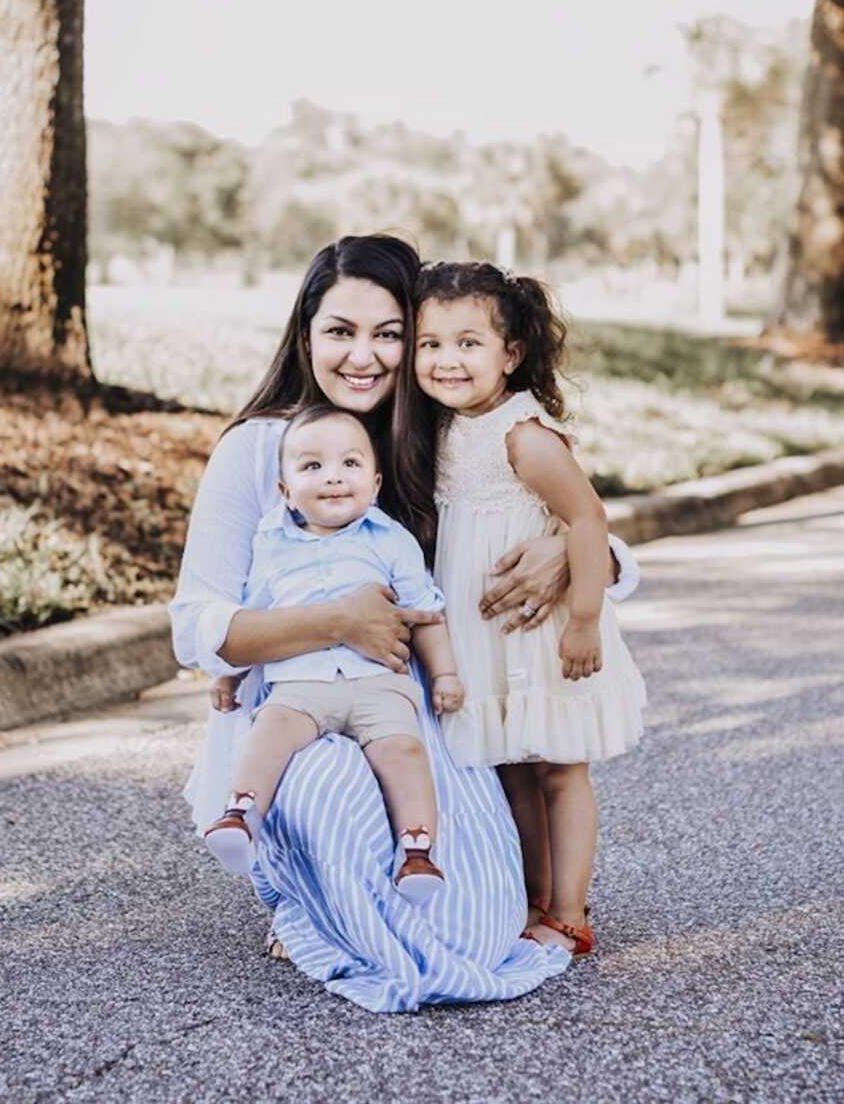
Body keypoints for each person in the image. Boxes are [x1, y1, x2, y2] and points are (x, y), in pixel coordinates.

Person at [170, 233, 638, 1013]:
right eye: (341, 331)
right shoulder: (263, 448)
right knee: (335, 789)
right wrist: (334, 620)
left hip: (413, 712)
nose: (366, 356)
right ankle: (311, 894)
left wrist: (572, 553)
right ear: (305, 334)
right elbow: (196, 627)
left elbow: (590, 534)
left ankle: (515, 899)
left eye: (389, 334)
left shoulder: (436, 432)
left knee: (483, 925)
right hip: (302, 712)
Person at [413, 260, 647, 958]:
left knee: (560, 766)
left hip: (543, 633)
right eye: (430, 343)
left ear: (511, 353)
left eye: (467, 342)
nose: (446, 360)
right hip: (486, 636)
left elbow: (587, 519)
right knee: (513, 764)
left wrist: (581, 618)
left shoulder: (524, 433)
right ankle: (535, 894)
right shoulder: (444, 429)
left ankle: (571, 909)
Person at [203, 403, 464, 906]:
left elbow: (425, 611)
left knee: (405, 753)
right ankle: (241, 814)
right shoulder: (272, 543)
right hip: (301, 686)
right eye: (311, 467)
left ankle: (417, 851)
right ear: (285, 492)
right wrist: (227, 674)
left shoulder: (390, 540)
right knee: (268, 732)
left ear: (375, 481)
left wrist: (445, 674)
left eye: (350, 464)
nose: (333, 478)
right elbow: (253, 615)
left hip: (378, 684)